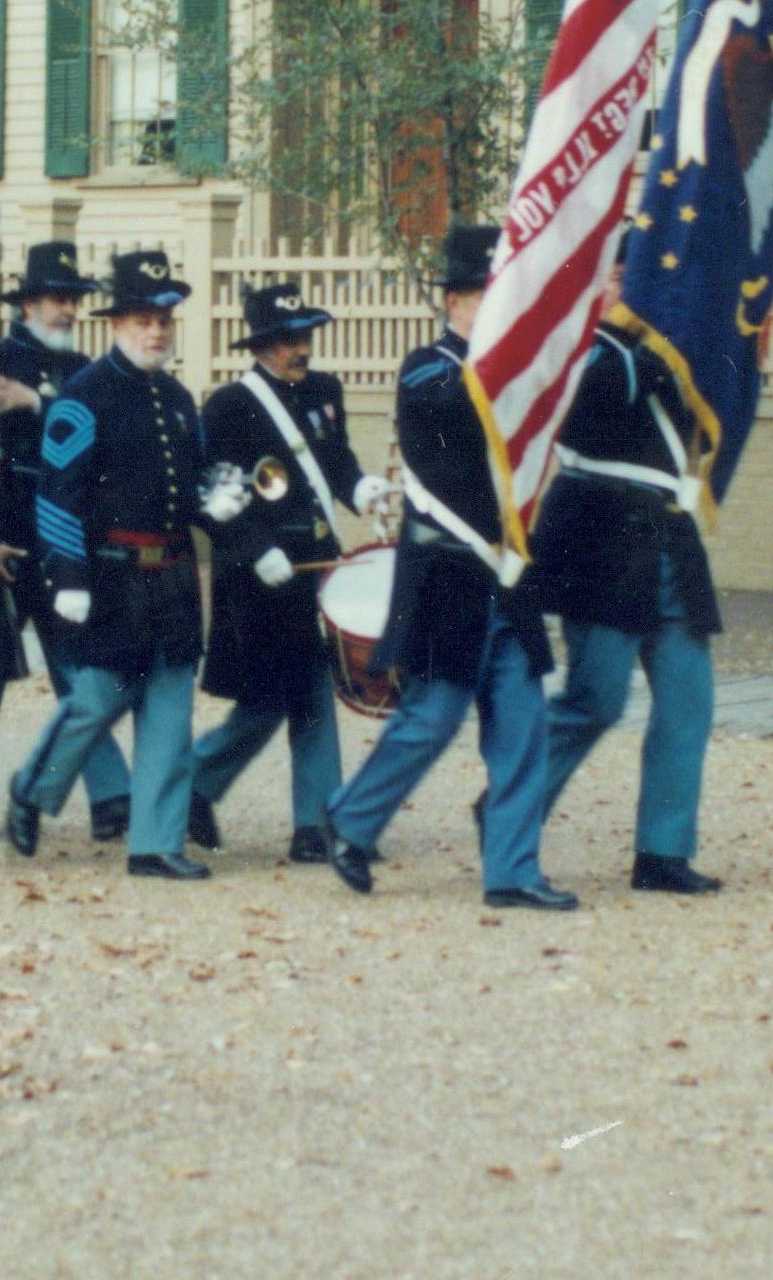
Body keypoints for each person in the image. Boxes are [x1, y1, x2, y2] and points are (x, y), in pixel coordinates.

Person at [319, 224, 575, 912]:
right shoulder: (427, 367)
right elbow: (451, 417)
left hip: (508, 577)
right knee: (432, 716)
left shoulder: (515, 373)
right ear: (457, 299)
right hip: (446, 575)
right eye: (488, 293)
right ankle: (350, 820)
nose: (497, 306)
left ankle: (512, 871)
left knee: (523, 725)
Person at [0, 249, 242, 881]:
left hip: (172, 576)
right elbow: (57, 495)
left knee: (169, 707)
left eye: (163, 318)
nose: (155, 330)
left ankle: (155, 844)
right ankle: (32, 788)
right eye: (142, 318)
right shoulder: (82, 398)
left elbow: (186, 486)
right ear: (114, 323)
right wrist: (70, 579)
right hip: (109, 576)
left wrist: (212, 503)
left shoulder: (178, 398)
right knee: (95, 702)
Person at [0, 242, 129, 838]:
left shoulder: (87, 371)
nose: (67, 310)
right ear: (29, 303)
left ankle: (111, 796)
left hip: (63, 547)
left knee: (77, 667)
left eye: (73, 299)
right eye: (57, 299)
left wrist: (37, 402)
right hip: (4, 550)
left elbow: (103, 436)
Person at [518, 325, 729, 895]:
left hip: (668, 534)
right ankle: (510, 809)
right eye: (615, 273)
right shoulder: (584, 349)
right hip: (602, 533)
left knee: (689, 704)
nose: (625, 285)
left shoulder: (669, 349)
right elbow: (600, 396)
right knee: (595, 701)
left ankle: (663, 852)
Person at [191, 282, 395, 863]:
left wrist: (361, 488)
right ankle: (194, 786)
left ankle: (316, 823)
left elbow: (336, 463)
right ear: (260, 346)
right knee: (269, 696)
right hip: (261, 574)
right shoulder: (230, 406)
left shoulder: (325, 391)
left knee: (307, 687)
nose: (300, 349)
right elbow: (220, 489)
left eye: (304, 336)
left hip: (315, 564)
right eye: (286, 340)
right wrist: (257, 548)